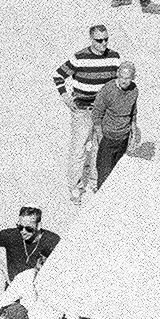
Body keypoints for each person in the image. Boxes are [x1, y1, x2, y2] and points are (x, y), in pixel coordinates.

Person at [53, 24, 121, 202]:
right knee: (79, 150)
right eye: (99, 40)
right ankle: (75, 188)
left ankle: (95, 181)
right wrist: (66, 97)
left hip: (104, 112)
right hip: (82, 110)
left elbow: (117, 82)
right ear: (91, 40)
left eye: (106, 39)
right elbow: (58, 75)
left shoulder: (114, 57)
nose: (104, 43)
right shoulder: (79, 58)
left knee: (100, 148)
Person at [91, 61, 141, 187]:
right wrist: (100, 136)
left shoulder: (134, 90)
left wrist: (133, 129)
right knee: (104, 174)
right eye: (122, 77)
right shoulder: (108, 89)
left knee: (117, 173)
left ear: (133, 78)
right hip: (108, 137)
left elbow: (133, 112)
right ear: (118, 75)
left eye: (128, 78)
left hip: (123, 137)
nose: (124, 81)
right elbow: (96, 114)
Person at [0, 206, 60, 278]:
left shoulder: (52, 240)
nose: (23, 232)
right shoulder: (11, 235)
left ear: (39, 226)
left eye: (29, 228)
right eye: (20, 227)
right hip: (13, 287)